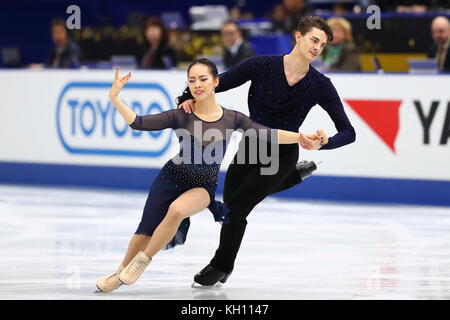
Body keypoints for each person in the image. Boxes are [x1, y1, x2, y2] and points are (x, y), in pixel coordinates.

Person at [95, 60, 328, 292]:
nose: (197, 84)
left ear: (216, 82)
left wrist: (301, 137)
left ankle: (141, 263)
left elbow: (269, 134)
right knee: (145, 229)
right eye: (192, 80)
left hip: (203, 187)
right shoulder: (181, 115)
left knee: (176, 210)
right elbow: (139, 123)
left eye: (203, 79)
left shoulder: (232, 118)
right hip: (171, 177)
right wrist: (115, 98)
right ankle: (119, 273)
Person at [178, 16, 356, 286]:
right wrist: (187, 97)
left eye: (323, 44)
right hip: (250, 147)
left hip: (282, 154)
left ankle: (220, 265)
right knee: (229, 207)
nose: (318, 48)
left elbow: (348, 132)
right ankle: (294, 177)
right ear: (298, 37)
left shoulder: (320, 85)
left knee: (237, 209)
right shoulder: (261, 65)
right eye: (314, 40)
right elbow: (218, 83)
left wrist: (325, 141)